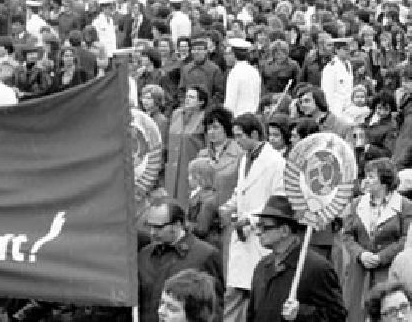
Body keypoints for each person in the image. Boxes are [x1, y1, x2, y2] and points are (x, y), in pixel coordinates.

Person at [221, 113, 286, 322]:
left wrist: (250, 218)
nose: (237, 141)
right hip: (241, 236)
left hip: (260, 234)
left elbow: (278, 200)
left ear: (255, 134)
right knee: (233, 294)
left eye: (240, 136)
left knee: (256, 295)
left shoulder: (276, 163)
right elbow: (241, 191)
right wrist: (229, 206)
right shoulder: (244, 159)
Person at [248, 195, 347, 322]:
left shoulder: (317, 268)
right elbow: (252, 314)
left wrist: (301, 313)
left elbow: (337, 316)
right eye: (258, 226)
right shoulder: (262, 266)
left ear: (284, 230)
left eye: (264, 227)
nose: (257, 232)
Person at [137, 198, 224, 322]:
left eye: (158, 227)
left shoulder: (205, 255)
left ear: (177, 225)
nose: (152, 232)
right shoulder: (145, 254)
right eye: (150, 226)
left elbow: (215, 308)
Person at [343, 158, 412, 312]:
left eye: (371, 177)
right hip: (360, 273)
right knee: (357, 313)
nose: (366, 181)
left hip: (387, 272)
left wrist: (381, 257)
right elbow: (347, 235)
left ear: (385, 181)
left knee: (385, 310)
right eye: (366, 176)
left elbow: (406, 238)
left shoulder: (405, 205)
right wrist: (361, 254)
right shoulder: (356, 204)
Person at [165, 86, 208, 209]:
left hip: (190, 167)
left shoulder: (204, 118)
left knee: (187, 202)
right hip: (172, 168)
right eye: (187, 96)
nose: (187, 99)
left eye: (192, 97)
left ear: (201, 102)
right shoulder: (176, 114)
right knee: (170, 203)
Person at [225, 38, 261, 117]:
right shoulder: (254, 71)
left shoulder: (234, 73)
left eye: (227, 54)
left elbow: (230, 101)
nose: (225, 57)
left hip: (237, 117)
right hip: (252, 116)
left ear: (234, 54)